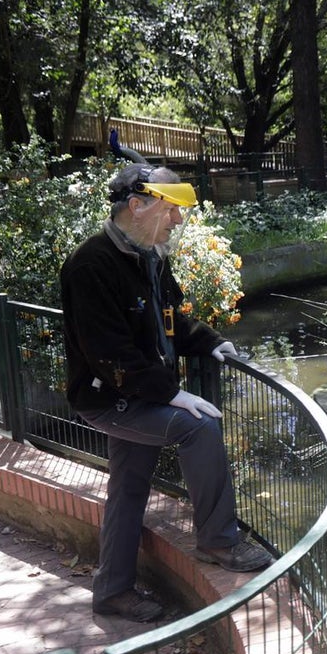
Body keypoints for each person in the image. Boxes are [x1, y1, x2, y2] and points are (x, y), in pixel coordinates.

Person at [60, 163, 273, 623]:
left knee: (129, 487)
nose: (177, 221)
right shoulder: (89, 265)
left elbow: (172, 320)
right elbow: (108, 355)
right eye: (170, 209)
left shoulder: (150, 255)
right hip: (110, 399)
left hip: (139, 394)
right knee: (198, 428)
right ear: (136, 207)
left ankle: (112, 592)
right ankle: (219, 541)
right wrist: (173, 395)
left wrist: (213, 342)